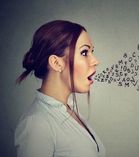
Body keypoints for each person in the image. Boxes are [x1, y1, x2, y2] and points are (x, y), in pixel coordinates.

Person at [14, 20, 105, 157]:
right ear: (56, 63)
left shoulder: (70, 110)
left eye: (92, 52)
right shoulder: (37, 125)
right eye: (85, 52)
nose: (95, 61)